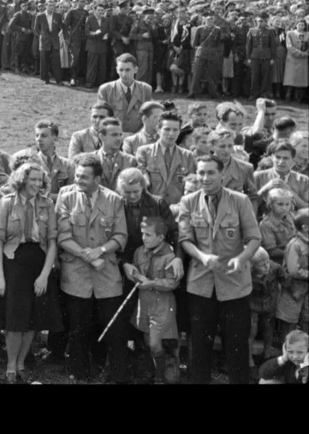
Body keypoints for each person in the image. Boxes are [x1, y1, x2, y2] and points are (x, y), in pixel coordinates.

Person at [177, 155, 261, 385]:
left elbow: (254, 237)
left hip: (234, 285)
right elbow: (185, 239)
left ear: (222, 174)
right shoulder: (189, 201)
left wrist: (241, 258)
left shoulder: (240, 200)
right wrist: (202, 256)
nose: (205, 178)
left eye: (211, 172)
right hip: (202, 284)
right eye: (201, 173)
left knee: (236, 345)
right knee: (200, 345)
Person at [56, 153, 130, 384]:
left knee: (112, 327)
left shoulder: (114, 199)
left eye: (85, 177)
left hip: (106, 273)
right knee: (77, 327)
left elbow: (121, 235)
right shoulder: (65, 196)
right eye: (77, 176)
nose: (79, 180)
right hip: (76, 274)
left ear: (98, 179)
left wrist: (101, 251)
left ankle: (114, 374)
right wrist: (87, 255)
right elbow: (62, 236)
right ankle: (79, 374)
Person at [0, 162, 62, 384]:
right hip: (14, 262)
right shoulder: (7, 203)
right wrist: (0, 276)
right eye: (32, 179)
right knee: (15, 318)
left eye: (40, 180)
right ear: (22, 180)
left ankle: (22, 362)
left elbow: (52, 242)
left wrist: (44, 275)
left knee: (33, 317)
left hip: (39, 262)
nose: (36, 184)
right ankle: (11, 365)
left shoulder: (48, 204)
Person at [124, 217, 182, 384]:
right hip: (144, 304)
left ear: (161, 238)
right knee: (147, 340)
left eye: (148, 235)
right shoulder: (139, 251)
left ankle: (160, 376)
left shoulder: (169, 256)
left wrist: (151, 283)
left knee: (156, 344)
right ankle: (151, 372)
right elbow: (135, 269)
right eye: (143, 234)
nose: (144, 238)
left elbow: (173, 282)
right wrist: (136, 275)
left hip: (162, 305)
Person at [134, 112, 196, 206]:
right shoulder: (144, 152)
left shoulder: (187, 156)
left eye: (175, 130)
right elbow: (142, 183)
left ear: (179, 131)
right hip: (152, 209)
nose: (171, 134)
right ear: (158, 129)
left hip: (178, 209)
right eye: (167, 129)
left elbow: (192, 186)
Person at [96, 53, 154, 134]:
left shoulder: (145, 89)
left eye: (127, 70)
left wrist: (136, 136)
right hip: (112, 137)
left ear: (136, 69)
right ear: (116, 70)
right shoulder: (105, 90)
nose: (124, 74)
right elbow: (101, 119)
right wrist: (119, 135)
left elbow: (149, 118)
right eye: (121, 70)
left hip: (137, 139)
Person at [275, 209, 308, 340]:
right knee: (289, 318)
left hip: (305, 288)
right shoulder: (295, 245)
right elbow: (294, 271)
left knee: (306, 317)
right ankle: (287, 349)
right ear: (305, 227)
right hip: (293, 287)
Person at [34, 0, 64, 85]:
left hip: (55, 41)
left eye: (53, 5)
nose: (51, 7)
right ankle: (45, 78)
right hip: (44, 42)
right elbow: (36, 29)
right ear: (46, 6)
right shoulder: (40, 16)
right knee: (44, 61)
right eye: (50, 5)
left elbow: (61, 27)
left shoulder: (58, 15)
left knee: (56, 61)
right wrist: (42, 35)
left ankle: (59, 80)